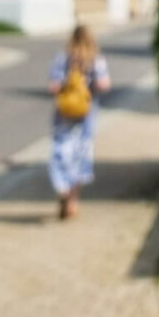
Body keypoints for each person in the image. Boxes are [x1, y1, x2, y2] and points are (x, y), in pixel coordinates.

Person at [47, 25, 111, 219]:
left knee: (61, 151)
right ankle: (73, 200)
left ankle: (62, 188)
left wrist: (68, 82)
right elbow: (105, 84)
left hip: (63, 114)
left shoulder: (63, 59)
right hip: (86, 114)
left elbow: (52, 86)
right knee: (80, 154)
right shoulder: (95, 61)